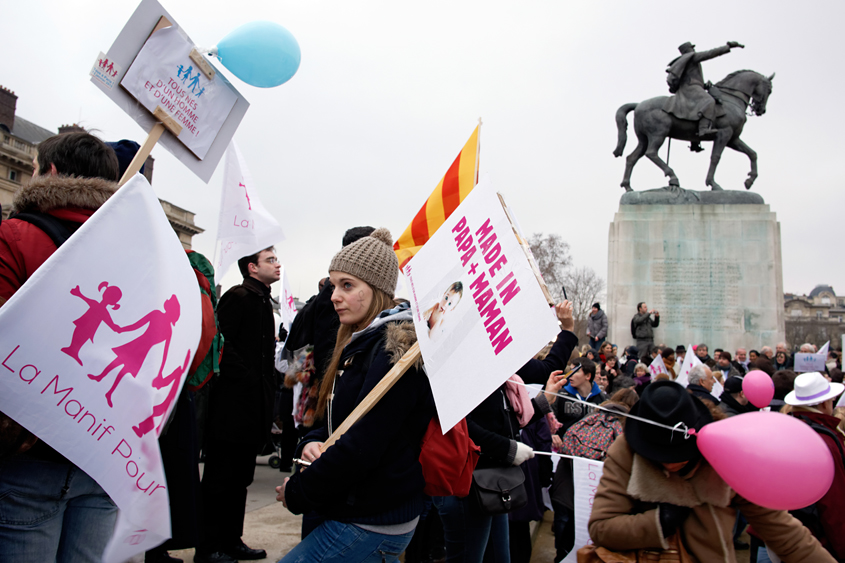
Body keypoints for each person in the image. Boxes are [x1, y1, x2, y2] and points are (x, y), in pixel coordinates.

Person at [278, 229, 435, 562]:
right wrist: (310, 441)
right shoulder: (355, 340)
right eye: (333, 285)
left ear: (376, 290)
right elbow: (333, 417)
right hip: (348, 503)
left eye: (347, 285)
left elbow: (363, 445)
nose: (334, 296)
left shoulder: (396, 352)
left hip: (372, 518)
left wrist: (297, 492)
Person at [0, 132, 120, 563]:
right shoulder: (140, 252)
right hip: (110, 452)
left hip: (31, 449)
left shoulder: (13, 235)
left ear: (47, 171)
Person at [588, 380, 837, 562]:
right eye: (660, 456)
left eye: (680, 456)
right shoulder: (626, 451)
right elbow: (601, 527)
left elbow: (784, 532)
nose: (670, 464)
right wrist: (660, 521)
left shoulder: (728, 453)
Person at [434, 301, 579, 563]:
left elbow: (507, 419)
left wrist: (567, 331)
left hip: (492, 480)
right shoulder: (453, 364)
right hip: (465, 485)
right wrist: (508, 449)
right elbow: (458, 427)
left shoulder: (498, 357)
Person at [196, 248, 280, 563]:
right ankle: (208, 548)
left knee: (241, 480)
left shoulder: (261, 300)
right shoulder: (239, 297)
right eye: (270, 259)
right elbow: (221, 343)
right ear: (252, 268)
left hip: (253, 409)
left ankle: (232, 540)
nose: (277, 263)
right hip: (231, 409)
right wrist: (245, 379)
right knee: (220, 481)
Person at [784, 372, 845, 560]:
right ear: (823, 404)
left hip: (783, 531)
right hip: (815, 539)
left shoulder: (786, 429)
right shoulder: (824, 441)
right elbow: (834, 503)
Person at [663, 41, 744, 150]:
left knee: (698, 109)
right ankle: (703, 129)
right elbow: (710, 53)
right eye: (692, 48)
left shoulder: (685, 61)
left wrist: (704, 85)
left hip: (691, 87)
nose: (694, 50)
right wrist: (727, 47)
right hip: (691, 89)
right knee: (709, 101)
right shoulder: (692, 57)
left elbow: (690, 78)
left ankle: (694, 141)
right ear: (689, 50)